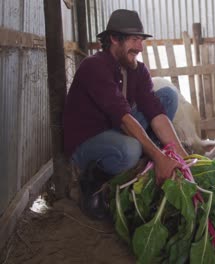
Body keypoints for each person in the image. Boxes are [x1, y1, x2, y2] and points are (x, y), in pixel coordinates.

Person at [63, 9, 188, 219]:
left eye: (141, 40)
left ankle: (152, 156)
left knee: (167, 96)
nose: (140, 47)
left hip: (116, 129)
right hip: (88, 141)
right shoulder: (94, 66)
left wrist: (184, 156)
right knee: (130, 148)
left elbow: (154, 112)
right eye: (133, 40)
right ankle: (92, 182)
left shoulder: (137, 70)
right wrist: (159, 158)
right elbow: (123, 117)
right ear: (114, 39)